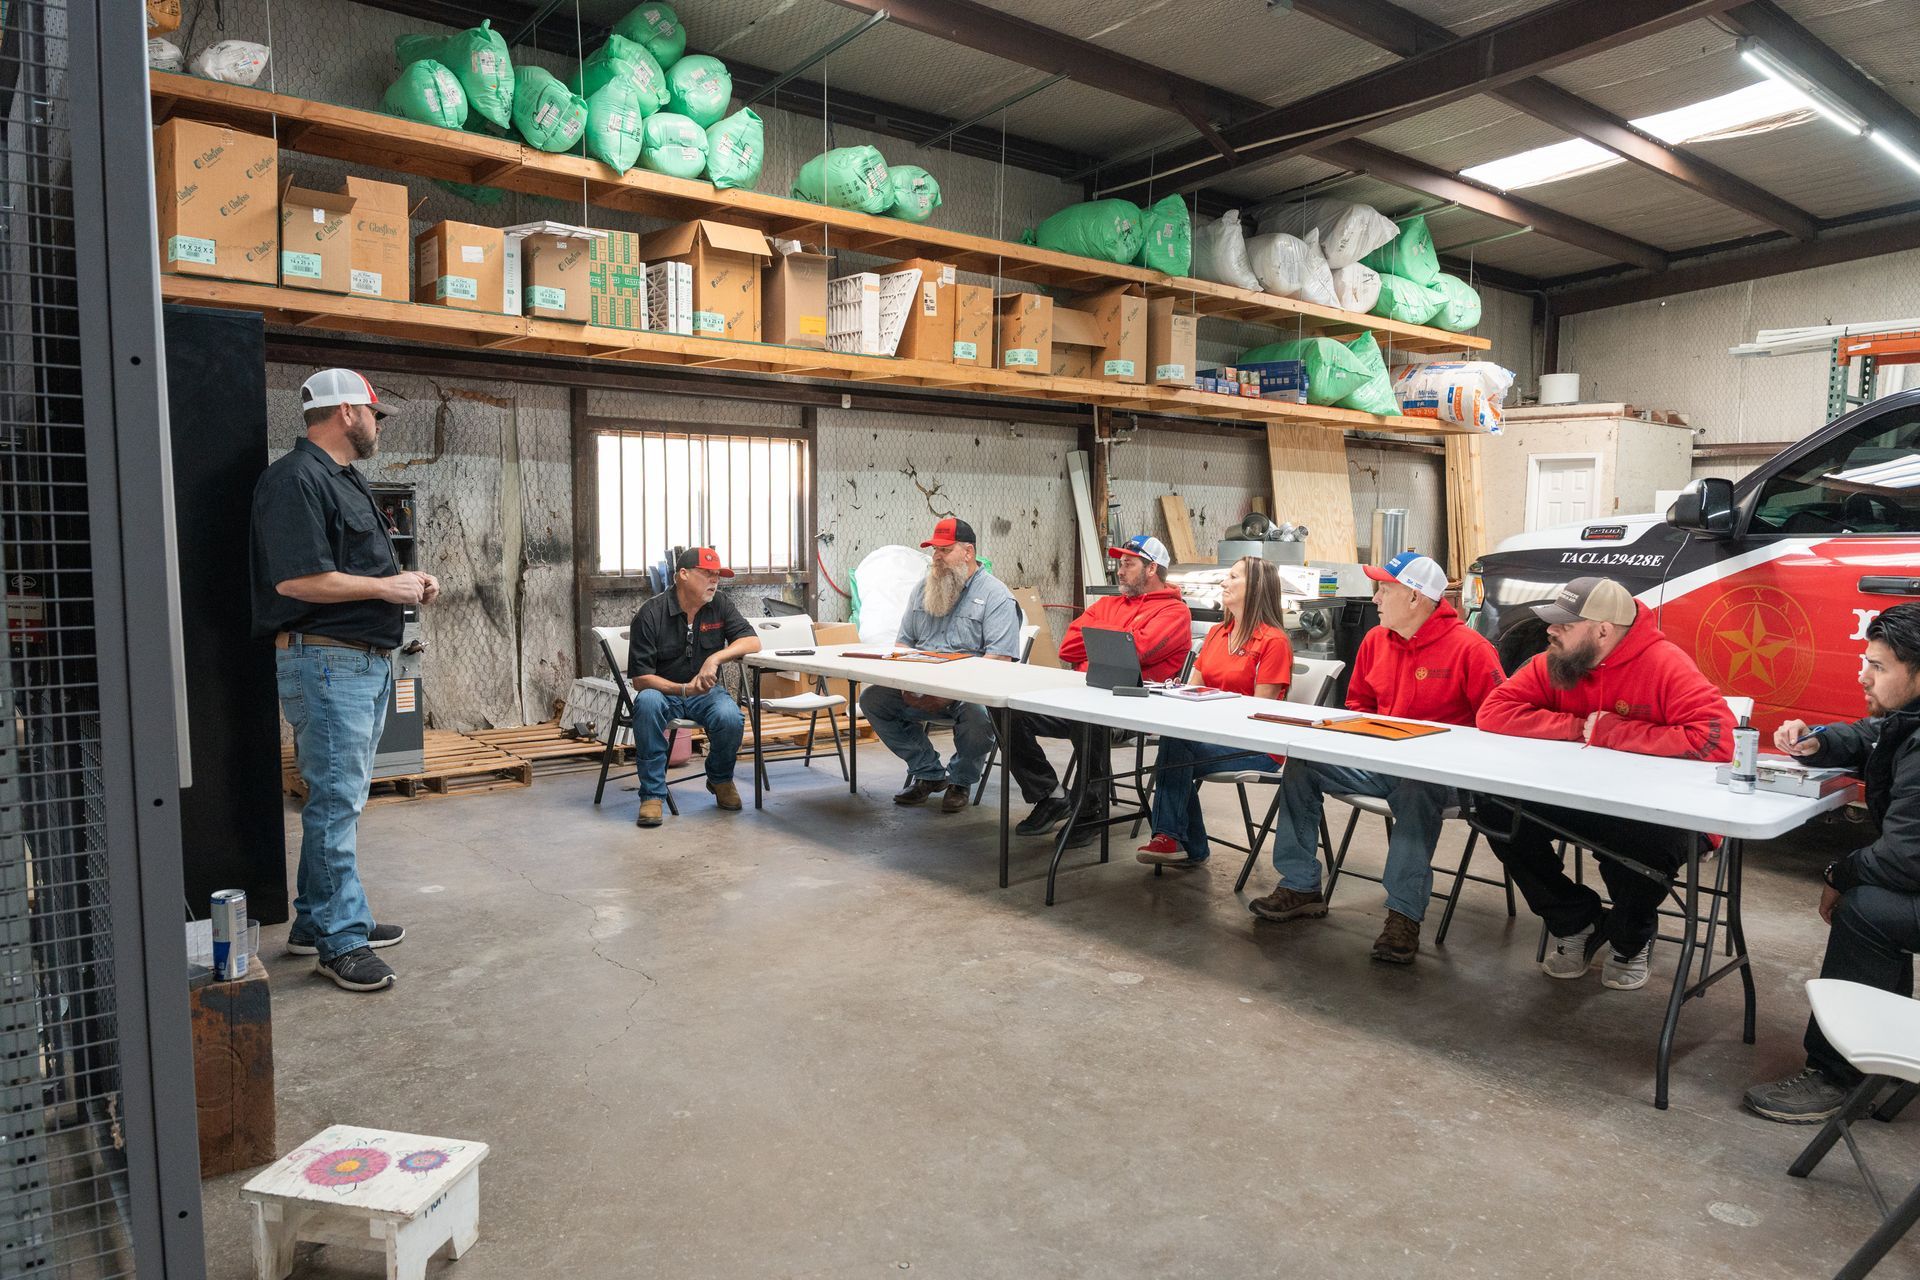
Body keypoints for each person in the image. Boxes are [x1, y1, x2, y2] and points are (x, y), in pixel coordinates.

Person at [252, 368, 438, 993]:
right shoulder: (294, 480)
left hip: (359, 660)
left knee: (339, 799)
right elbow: (297, 581)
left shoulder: (344, 479)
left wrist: (407, 585)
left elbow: (355, 570)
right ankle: (341, 941)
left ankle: (315, 922)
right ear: (347, 413)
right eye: (374, 414)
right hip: (328, 662)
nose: (377, 426)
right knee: (336, 803)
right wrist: (387, 588)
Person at [1241, 552, 1505, 964]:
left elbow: (1497, 724)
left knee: (1417, 785)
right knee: (1302, 761)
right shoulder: (1375, 640)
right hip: (1380, 764)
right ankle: (1300, 884)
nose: (1376, 599)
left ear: (1415, 597)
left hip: (1445, 777)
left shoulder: (1471, 649)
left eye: (1384, 589)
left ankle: (1403, 915)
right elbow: (1358, 706)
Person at [1474, 575, 1735, 991]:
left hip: (1664, 807)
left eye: (1564, 624)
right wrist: (1577, 727)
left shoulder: (1665, 664)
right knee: (1493, 807)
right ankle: (1576, 920)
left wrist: (1613, 731)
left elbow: (1717, 740)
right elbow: (1494, 712)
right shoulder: (1556, 661)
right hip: (1583, 795)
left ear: (1602, 631)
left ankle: (1631, 940)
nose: (1550, 630)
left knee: (1643, 841)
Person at [1744, 603, 1920, 1123]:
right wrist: (1816, 741)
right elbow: (1870, 736)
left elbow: (1905, 857)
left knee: (1867, 910)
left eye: (1879, 667)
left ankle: (1835, 1075)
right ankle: (1881, 1054)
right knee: (1878, 904)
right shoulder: (1908, 719)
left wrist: (1837, 874)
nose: (1863, 676)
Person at [1010, 534, 1193, 843]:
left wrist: (1100, 634)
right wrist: (1124, 634)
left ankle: (1091, 810)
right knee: (1008, 710)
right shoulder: (1108, 603)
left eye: (1128, 564)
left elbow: (1136, 652)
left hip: (1136, 711)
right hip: (1084, 696)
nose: (1119, 571)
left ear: (1152, 569)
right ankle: (1049, 795)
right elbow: (1068, 648)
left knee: (1089, 718)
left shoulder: (1174, 612)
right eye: (1119, 564)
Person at [1133, 555, 1291, 869]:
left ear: (1256, 587)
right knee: (1175, 743)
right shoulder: (1218, 633)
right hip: (1214, 734)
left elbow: (1258, 713)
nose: (1223, 582)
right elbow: (1193, 690)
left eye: (1233, 577)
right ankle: (1179, 843)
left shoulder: (1274, 642)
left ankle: (1174, 839)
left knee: (1175, 749)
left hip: (1257, 745)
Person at [859, 517, 1023, 814]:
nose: (936, 557)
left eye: (945, 550)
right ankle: (928, 772)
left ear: (968, 552)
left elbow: (999, 660)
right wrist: (905, 684)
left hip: (969, 693)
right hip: (920, 686)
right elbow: (904, 644)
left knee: (979, 716)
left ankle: (961, 780)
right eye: (934, 550)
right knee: (873, 699)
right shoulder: (923, 589)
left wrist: (947, 694)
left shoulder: (996, 596)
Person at [626, 547, 762, 829]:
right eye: (707, 574)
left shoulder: (720, 604)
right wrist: (682, 689)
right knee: (647, 703)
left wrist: (715, 658)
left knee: (730, 716)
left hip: (705, 694)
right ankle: (652, 794)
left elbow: (752, 641)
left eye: (717, 575)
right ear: (683, 575)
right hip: (663, 692)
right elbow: (641, 679)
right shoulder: (651, 613)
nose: (714, 580)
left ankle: (720, 779)